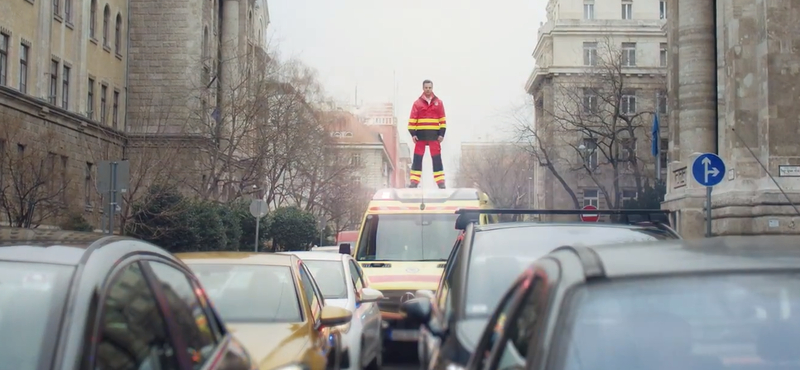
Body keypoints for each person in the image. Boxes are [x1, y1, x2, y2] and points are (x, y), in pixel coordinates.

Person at [408, 79, 447, 188]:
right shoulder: (417, 103)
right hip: (420, 136)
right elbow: (412, 119)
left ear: (432, 88)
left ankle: (440, 182)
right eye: (426, 88)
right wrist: (413, 134)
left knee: (436, 159)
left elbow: (442, 119)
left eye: (429, 87)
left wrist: (442, 134)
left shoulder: (439, 103)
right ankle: (414, 182)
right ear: (423, 88)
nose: (428, 90)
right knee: (417, 158)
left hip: (434, 136)